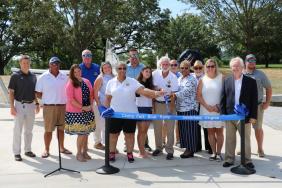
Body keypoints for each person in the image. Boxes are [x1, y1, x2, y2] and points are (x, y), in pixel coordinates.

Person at [104, 62, 164, 163]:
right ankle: (112, 153)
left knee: (129, 135)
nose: (122, 70)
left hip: (130, 114)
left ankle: (130, 153)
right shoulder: (111, 82)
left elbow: (143, 90)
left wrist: (155, 93)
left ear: (126, 70)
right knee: (113, 135)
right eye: (120, 68)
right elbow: (108, 99)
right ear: (116, 70)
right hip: (115, 114)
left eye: (124, 68)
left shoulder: (132, 81)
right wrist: (106, 111)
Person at [220, 57, 258, 169]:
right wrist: (223, 114)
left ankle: (247, 160)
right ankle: (229, 159)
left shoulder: (251, 81)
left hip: (244, 116)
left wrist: (253, 116)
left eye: (238, 66)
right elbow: (223, 98)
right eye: (233, 66)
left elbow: (254, 100)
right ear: (231, 67)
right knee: (230, 139)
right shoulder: (226, 80)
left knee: (245, 139)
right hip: (230, 115)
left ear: (242, 67)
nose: (235, 68)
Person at [36, 56, 72, 158]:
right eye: (53, 64)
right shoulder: (43, 77)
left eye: (57, 64)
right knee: (48, 130)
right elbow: (38, 93)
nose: (55, 65)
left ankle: (62, 148)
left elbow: (69, 90)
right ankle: (46, 149)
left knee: (61, 129)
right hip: (49, 107)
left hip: (62, 107)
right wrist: (47, 98)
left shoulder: (64, 77)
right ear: (49, 65)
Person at [8, 55, 40, 161]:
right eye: (24, 63)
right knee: (17, 130)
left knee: (29, 130)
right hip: (19, 105)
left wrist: (37, 103)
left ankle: (28, 150)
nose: (26, 65)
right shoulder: (15, 76)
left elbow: (34, 92)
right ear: (20, 64)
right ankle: (17, 152)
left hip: (31, 105)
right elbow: (11, 93)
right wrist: (12, 107)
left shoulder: (33, 76)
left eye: (28, 63)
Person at [65, 64, 95, 162]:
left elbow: (91, 95)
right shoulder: (70, 83)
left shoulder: (86, 81)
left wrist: (90, 106)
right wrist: (83, 107)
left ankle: (85, 152)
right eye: (75, 72)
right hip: (77, 112)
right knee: (81, 133)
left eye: (79, 71)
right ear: (72, 73)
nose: (77, 73)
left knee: (86, 133)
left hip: (88, 110)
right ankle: (78, 153)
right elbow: (71, 99)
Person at [244, 54, 272, 157]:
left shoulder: (260, 74)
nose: (252, 62)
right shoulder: (241, 73)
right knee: (244, 129)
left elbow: (268, 88)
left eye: (254, 60)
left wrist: (267, 102)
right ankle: (245, 148)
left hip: (257, 106)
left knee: (258, 128)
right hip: (244, 107)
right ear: (245, 62)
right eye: (249, 60)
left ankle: (260, 148)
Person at [197, 59, 225, 161]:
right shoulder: (202, 79)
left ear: (215, 67)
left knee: (219, 132)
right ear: (205, 67)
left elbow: (226, 94)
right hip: (206, 110)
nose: (210, 68)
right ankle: (213, 153)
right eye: (208, 66)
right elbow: (198, 96)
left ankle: (219, 153)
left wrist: (219, 106)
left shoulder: (222, 77)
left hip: (219, 110)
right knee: (210, 132)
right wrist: (207, 106)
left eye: (212, 66)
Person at [152, 56, 178, 160]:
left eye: (167, 64)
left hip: (169, 104)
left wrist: (171, 107)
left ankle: (170, 150)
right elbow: (151, 88)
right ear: (160, 65)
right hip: (157, 103)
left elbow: (174, 93)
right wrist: (158, 89)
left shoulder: (173, 77)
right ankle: (158, 148)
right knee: (157, 127)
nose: (165, 66)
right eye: (163, 64)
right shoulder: (154, 74)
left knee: (170, 128)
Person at [126, 49, 152, 152]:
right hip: (129, 98)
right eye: (132, 57)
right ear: (129, 58)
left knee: (143, 126)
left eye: (136, 57)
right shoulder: (125, 68)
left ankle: (145, 144)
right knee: (129, 123)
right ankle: (126, 144)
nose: (134, 59)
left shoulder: (143, 67)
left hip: (142, 97)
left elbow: (148, 79)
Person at [171, 60, 198, 158]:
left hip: (190, 108)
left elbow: (186, 92)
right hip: (181, 108)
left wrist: (173, 94)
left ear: (189, 68)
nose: (184, 70)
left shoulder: (192, 79)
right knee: (183, 130)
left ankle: (190, 150)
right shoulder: (179, 79)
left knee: (190, 130)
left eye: (186, 68)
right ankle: (187, 147)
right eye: (182, 68)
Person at [79, 49, 101, 150]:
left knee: (97, 121)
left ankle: (97, 143)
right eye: (85, 55)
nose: (87, 57)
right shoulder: (79, 68)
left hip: (95, 98)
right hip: (83, 100)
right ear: (82, 57)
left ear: (91, 57)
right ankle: (84, 145)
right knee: (84, 123)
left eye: (89, 55)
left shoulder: (97, 67)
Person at [93, 62, 114, 150]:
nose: (107, 69)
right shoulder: (100, 78)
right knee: (99, 124)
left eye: (108, 67)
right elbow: (95, 92)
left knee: (108, 126)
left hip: (111, 105)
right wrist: (99, 105)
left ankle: (108, 144)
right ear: (102, 69)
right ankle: (97, 142)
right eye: (105, 68)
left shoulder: (114, 77)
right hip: (101, 104)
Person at [192, 60, 211, 153]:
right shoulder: (190, 77)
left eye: (200, 67)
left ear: (203, 67)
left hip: (204, 104)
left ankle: (209, 147)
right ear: (193, 68)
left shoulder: (207, 77)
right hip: (194, 105)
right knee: (196, 127)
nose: (198, 69)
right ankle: (197, 147)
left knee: (206, 126)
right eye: (196, 68)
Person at [136, 66, 154, 158]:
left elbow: (151, 96)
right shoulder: (138, 83)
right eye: (146, 71)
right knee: (141, 131)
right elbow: (147, 94)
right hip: (140, 108)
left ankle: (143, 150)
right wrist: (155, 93)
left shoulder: (149, 83)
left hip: (148, 109)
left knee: (145, 131)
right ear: (142, 72)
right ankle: (141, 152)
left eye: (149, 72)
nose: (148, 73)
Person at [169, 59, 181, 147]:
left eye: (175, 65)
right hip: (167, 102)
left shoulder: (181, 76)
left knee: (177, 122)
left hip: (178, 101)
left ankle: (178, 140)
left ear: (178, 66)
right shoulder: (166, 75)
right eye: (171, 65)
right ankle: (163, 140)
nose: (173, 66)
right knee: (166, 122)